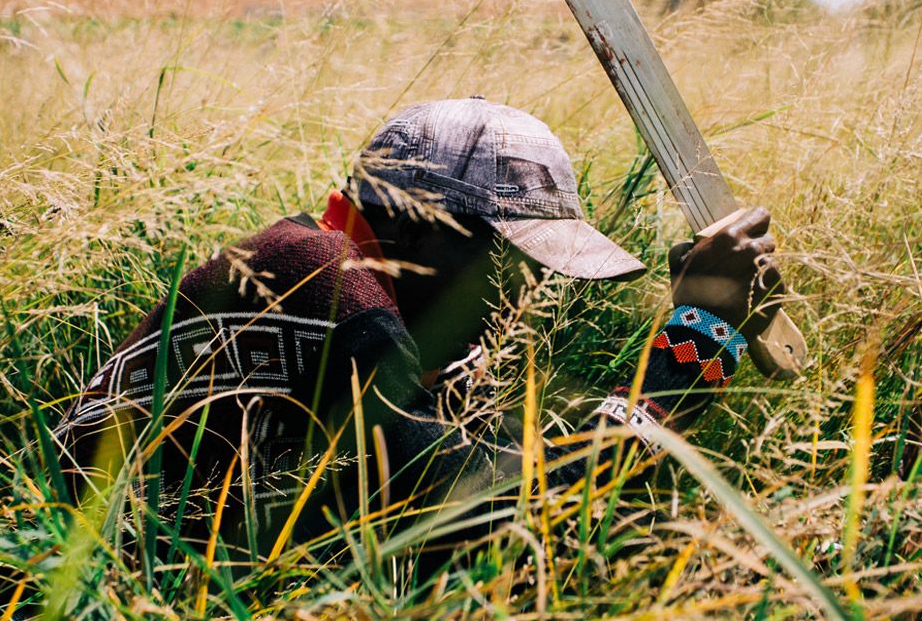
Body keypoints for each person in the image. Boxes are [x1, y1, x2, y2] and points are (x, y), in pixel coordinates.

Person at [54, 96, 790, 562]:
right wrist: (698, 338)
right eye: (508, 258)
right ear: (414, 223)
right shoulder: (328, 286)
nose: (525, 288)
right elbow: (481, 511)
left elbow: (501, 460)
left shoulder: (348, 270)